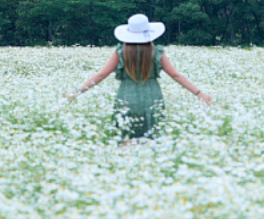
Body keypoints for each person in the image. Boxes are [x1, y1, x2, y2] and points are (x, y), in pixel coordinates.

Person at [65, 14, 212, 140]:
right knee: (151, 138)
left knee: (126, 139)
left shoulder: (121, 51)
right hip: (152, 99)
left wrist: (76, 92)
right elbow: (175, 75)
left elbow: (101, 74)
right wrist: (199, 94)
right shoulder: (156, 52)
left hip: (126, 99)